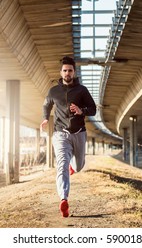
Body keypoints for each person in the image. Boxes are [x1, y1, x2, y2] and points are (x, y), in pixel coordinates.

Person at [40, 56, 96, 217]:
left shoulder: (82, 90)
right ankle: (63, 199)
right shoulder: (53, 91)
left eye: (70, 70)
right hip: (60, 134)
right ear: (61, 72)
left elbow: (93, 109)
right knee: (61, 164)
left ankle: (74, 167)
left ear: (74, 72)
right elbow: (47, 104)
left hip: (79, 133)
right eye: (65, 70)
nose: (67, 73)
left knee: (78, 166)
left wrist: (81, 111)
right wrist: (45, 117)